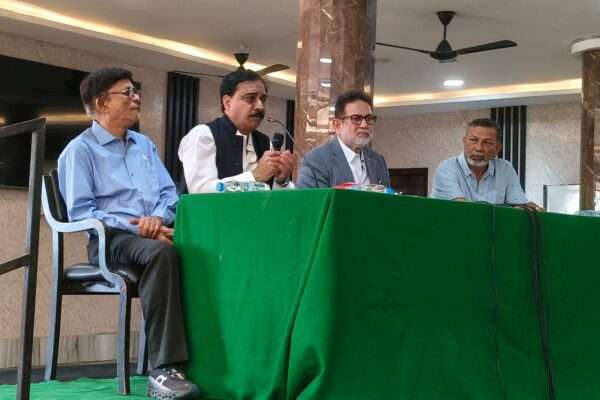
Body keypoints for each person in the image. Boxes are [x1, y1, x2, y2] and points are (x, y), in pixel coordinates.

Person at [57, 68, 200, 400]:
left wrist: (157, 220)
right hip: (111, 241)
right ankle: (164, 369)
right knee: (161, 253)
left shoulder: (144, 145)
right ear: (102, 103)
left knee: (201, 250)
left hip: (152, 234)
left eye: (136, 92)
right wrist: (140, 226)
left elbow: (169, 195)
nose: (137, 98)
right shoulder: (80, 151)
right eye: (127, 93)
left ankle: (209, 359)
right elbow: (82, 212)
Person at [178, 69, 295, 193]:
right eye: (250, 98)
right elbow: (200, 190)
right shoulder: (204, 135)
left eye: (262, 99)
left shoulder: (265, 142)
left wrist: (281, 180)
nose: (260, 106)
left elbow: (270, 195)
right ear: (227, 103)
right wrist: (254, 176)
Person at [431, 118, 535, 206]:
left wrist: (529, 209)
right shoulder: (447, 168)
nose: (479, 148)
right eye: (473, 140)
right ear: (464, 142)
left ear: (497, 148)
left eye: (487, 143)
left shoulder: (505, 169)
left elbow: (519, 207)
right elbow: (462, 210)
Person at [297, 90, 390, 188]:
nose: (364, 125)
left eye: (369, 118)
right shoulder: (316, 160)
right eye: (356, 118)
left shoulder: (378, 160)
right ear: (337, 125)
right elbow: (310, 197)